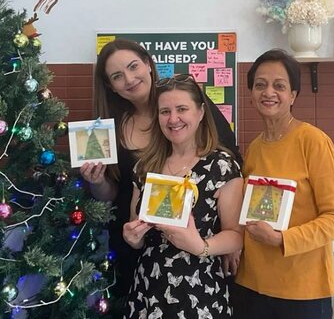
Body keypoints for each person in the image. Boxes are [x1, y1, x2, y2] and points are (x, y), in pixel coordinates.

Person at [79, 39, 241, 299]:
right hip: (141, 251)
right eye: (118, 76)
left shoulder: (185, 104)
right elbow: (114, 193)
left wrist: (225, 242)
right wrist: (96, 182)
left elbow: (230, 168)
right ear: (111, 86)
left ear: (148, 64)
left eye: (133, 67)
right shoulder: (110, 130)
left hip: (199, 263)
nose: (130, 79)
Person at [232, 49, 334, 319]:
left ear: (293, 95)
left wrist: (282, 239)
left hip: (301, 291)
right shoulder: (256, 148)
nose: (268, 92)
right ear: (251, 94)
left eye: (279, 86)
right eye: (260, 85)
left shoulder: (314, 141)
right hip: (251, 285)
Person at [122, 73, 244, 318]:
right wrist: (132, 237)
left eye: (181, 109)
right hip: (149, 289)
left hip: (200, 291)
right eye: (165, 111)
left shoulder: (222, 166)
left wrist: (201, 246)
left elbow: (236, 237)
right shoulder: (145, 167)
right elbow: (136, 231)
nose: (173, 119)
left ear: (200, 113)